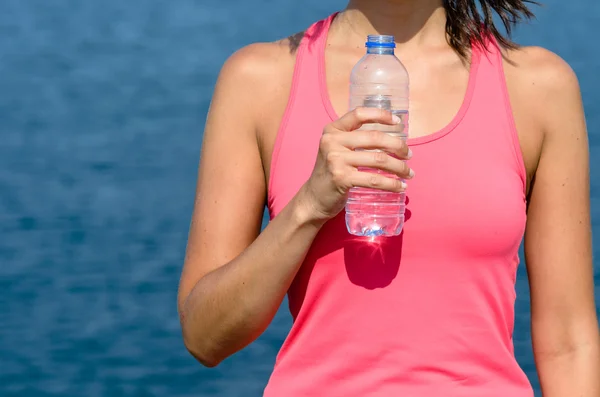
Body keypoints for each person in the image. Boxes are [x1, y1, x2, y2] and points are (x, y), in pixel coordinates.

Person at [178, 0, 600, 395]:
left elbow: (568, 341)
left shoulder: (539, 87)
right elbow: (205, 335)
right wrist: (308, 206)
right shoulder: (258, 81)